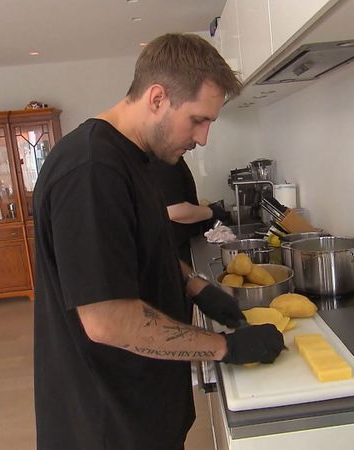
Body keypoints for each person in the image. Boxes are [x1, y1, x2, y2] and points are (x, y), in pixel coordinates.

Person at [32, 33, 285, 450]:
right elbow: (107, 319)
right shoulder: (92, 171)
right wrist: (224, 347)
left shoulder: (134, 159)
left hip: (142, 406)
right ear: (157, 98)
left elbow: (142, 249)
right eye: (197, 120)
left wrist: (196, 286)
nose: (202, 138)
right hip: (107, 422)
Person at [147, 156, 230, 264]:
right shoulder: (164, 162)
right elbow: (174, 211)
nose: (200, 142)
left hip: (181, 245)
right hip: (177, 249)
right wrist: (211, 212)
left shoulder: (173, 160)